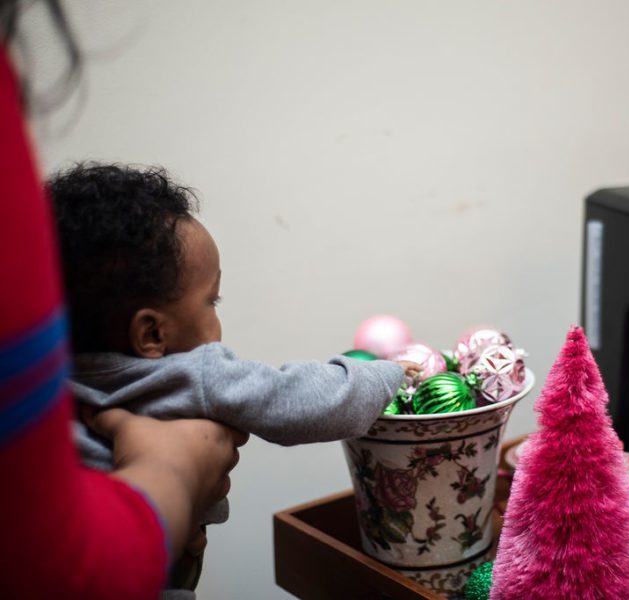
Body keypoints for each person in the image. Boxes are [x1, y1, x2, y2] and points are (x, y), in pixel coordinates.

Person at [47, 162, 415, 595]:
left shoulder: (51, 393)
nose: (216, 315)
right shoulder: (194, 375)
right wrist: (388, 372)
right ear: (152, 334)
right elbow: (311, 402)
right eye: (212, 301)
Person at [0, 4, 248, 597]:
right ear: (151, 334)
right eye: (212, 302)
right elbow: (302, 394)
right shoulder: (203, 378)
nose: (217, 325)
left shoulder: (67, 399)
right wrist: (178, 470)